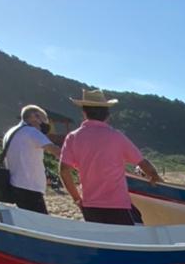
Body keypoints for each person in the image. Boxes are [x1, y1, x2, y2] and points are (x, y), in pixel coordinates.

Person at [59, 88, 163, 224]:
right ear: (107, 115)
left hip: (90, 204)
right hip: (117, 203)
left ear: (84, 113)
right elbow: (142, 163)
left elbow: (63, 170)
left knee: (101, 240)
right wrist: (156, 178)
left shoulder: (73, 137)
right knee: (129, 238)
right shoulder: (116, 137)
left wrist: (77, 198)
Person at [2, 105, 63, 212]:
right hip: (30, 186)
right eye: (43, 121)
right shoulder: (31, 132)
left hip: (15, 184)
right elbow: (56, 151)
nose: (44, 126)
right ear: (34, 116)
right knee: (40, 222)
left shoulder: (10, 132)